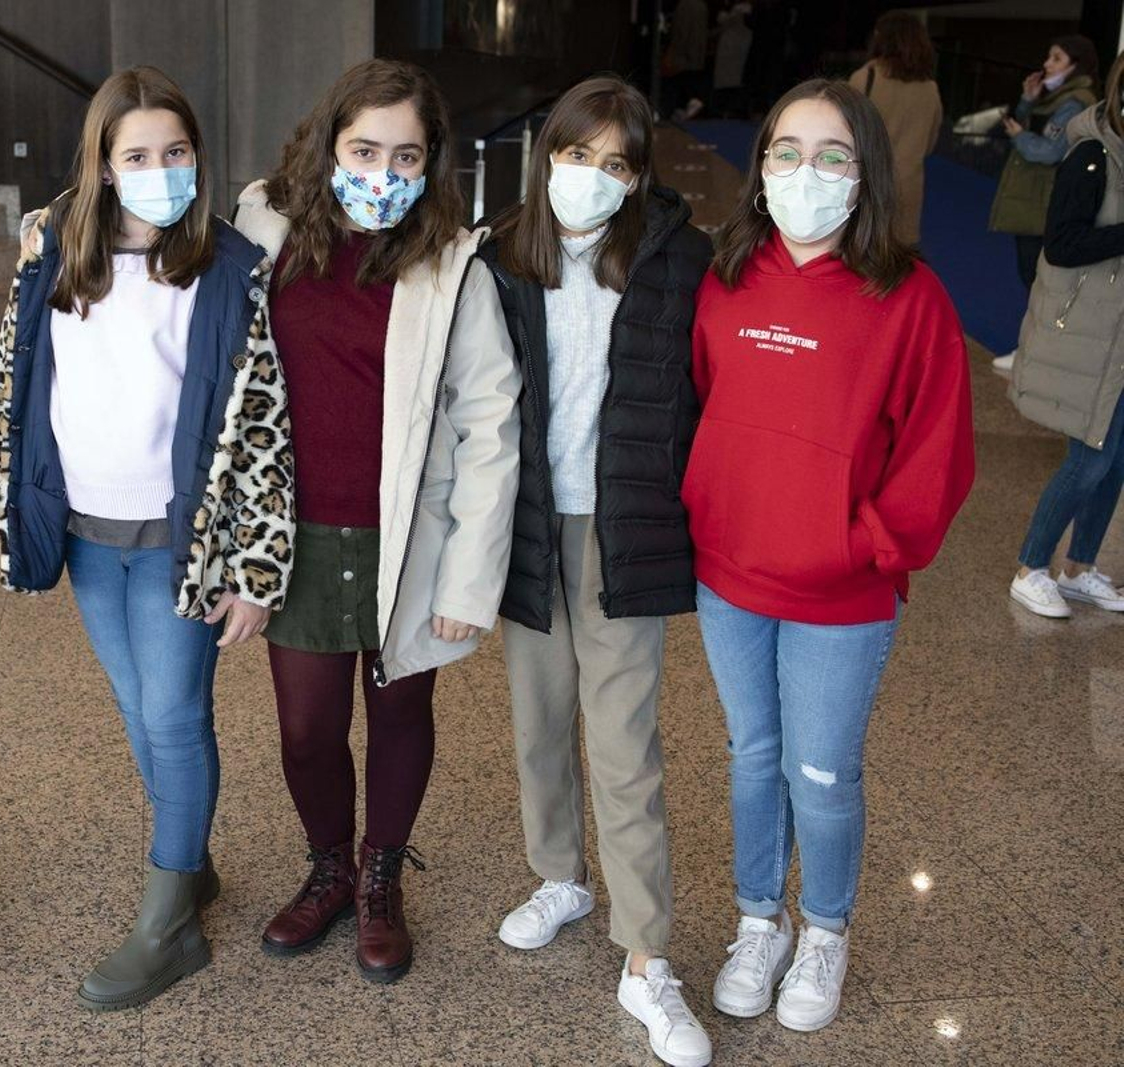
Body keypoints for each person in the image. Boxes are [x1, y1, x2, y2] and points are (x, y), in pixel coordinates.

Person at [0, 66, 294, 1010]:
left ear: (197, 158)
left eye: (177, 152)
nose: (161, 170)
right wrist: (8, 497)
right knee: (135, 709)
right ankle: (186, 860)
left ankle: (168, 925)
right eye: (137, 155)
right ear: (104, 166)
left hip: (179, 542)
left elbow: (265, 430)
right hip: (85, 534)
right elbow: (13, 379)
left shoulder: (230, 267)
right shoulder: (52, 257)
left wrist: (257, 567)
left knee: (172, 716)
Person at [686, 79, 974, 1033]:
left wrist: (865, 545)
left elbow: (940, 455)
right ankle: (758, 917)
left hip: (843, 593)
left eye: (832, 154)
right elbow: (705, 403)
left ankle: (825, 930)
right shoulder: (727, 277)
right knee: (751, 756)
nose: (805, 173)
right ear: (760, 166)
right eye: (785, 151)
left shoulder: (910, 297)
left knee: (821, 770)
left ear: (865, 174)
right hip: (731, 577)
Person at [232, 57, 520, 984]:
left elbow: (491, 422)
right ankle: (327, 862)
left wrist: (472, 578)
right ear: (329, 146)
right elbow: (156, 247)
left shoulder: (452, 263)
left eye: (406, 155)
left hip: (413, 539)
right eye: (365, 149)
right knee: (308, 729)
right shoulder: (263, 224)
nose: (383, 173)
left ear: (432, 163)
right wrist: (53, 220)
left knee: (401, 709)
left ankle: (378, 876)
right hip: (298, 534)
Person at [477, 76, 714, 1067]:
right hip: (531, 522)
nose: (592, 177)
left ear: (637, 174)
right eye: (577, 156)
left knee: (623, 745)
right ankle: (559, 876)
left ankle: (647, 955)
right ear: (547, 157)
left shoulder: (675, 258)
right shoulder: (499, 255)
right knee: (538, 724)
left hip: (624, 529)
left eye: (614, 163)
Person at [1007, 53, 1124, 619]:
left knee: (1116, 459)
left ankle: (1079, 567)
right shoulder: (1092, 156)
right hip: (1088, 336)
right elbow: (1063, 243)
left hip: (1119, 339)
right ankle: (1031, 567)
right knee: (1089, 462)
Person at [990, 35, 1099, 373]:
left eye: (1056, 58)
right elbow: (1033, 128)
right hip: (1034, 201)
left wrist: (1019, 136)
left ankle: (1035, 352)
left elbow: (1048, 150)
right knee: (1034, 277)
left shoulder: (1074, 102)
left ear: (1075, 65)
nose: (1047, 64)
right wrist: (1027, 100)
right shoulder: (1058, 99)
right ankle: (1037, 349)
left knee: (1040, 279)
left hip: (1043, 202)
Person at [848, 11, 942, 245]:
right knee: (897, 261)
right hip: (907, 188)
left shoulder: (865, 78)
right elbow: (930, 144)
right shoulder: (930, 88)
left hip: (867, 184)